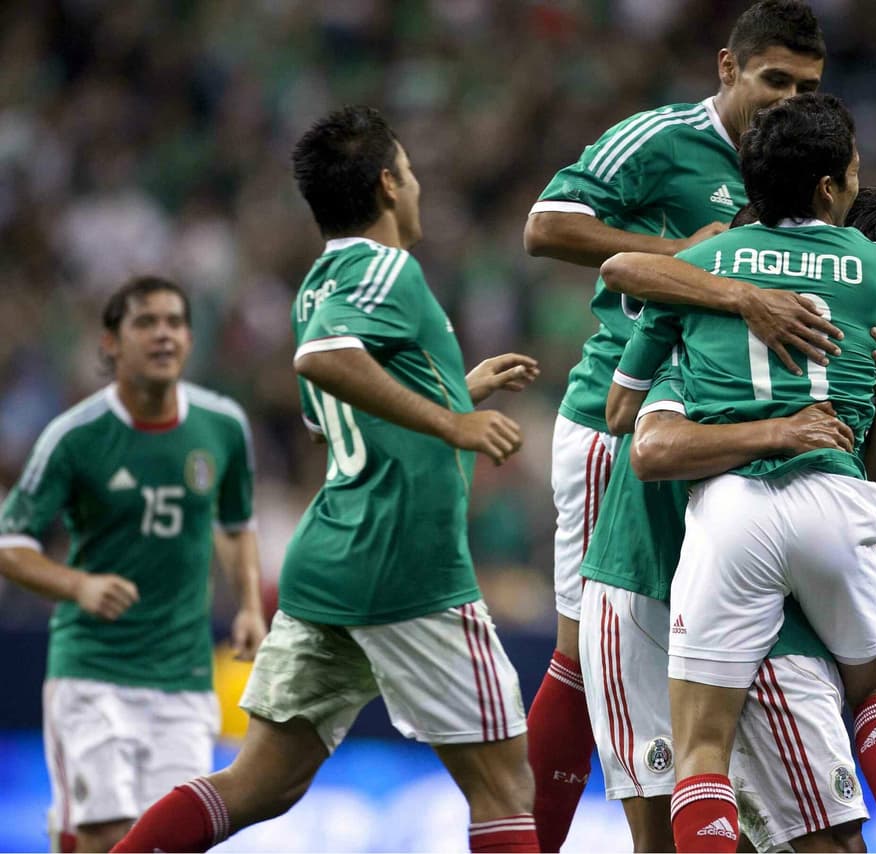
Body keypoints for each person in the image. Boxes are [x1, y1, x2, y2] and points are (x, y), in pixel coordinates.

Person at [112, 106, 541, 853]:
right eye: (408, 171)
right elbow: (320, 359)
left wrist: (455, 390)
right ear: (386, 183)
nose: (417, 186)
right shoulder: (384, 268)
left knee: (261, 783)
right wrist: (454, 424)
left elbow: (342, 417)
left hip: (334, 561)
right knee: (505, 786)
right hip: (408, 565)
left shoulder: (320, 280)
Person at [598, 187, 876, 852]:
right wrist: (778, 431)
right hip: (674, 592)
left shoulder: (819, 368)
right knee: (826, 837)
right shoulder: (719, 350)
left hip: (709, 592)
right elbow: (649, 446)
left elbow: (858, 503)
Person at [521, 4, 839, 846]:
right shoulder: (659, 140)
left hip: (716, 435)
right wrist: (692, 262)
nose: (788, 100)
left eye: (806, 86)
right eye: (775, 80)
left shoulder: (801, 167)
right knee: (587, 654)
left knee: (707, 655)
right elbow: (545, 227)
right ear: (729, 68)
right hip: (615, 422)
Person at [0, 276, 266, 853]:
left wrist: (248, 606)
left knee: (174, 840)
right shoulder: (75, 436)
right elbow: (9, 543)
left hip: (185, 676)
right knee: (103, 834)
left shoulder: (222, 426)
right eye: (146, 322)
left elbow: (238, 523)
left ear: (191, 339)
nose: (163, 334)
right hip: (93, 672)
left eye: (175, 322)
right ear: (111, 343)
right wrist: (79, 585)